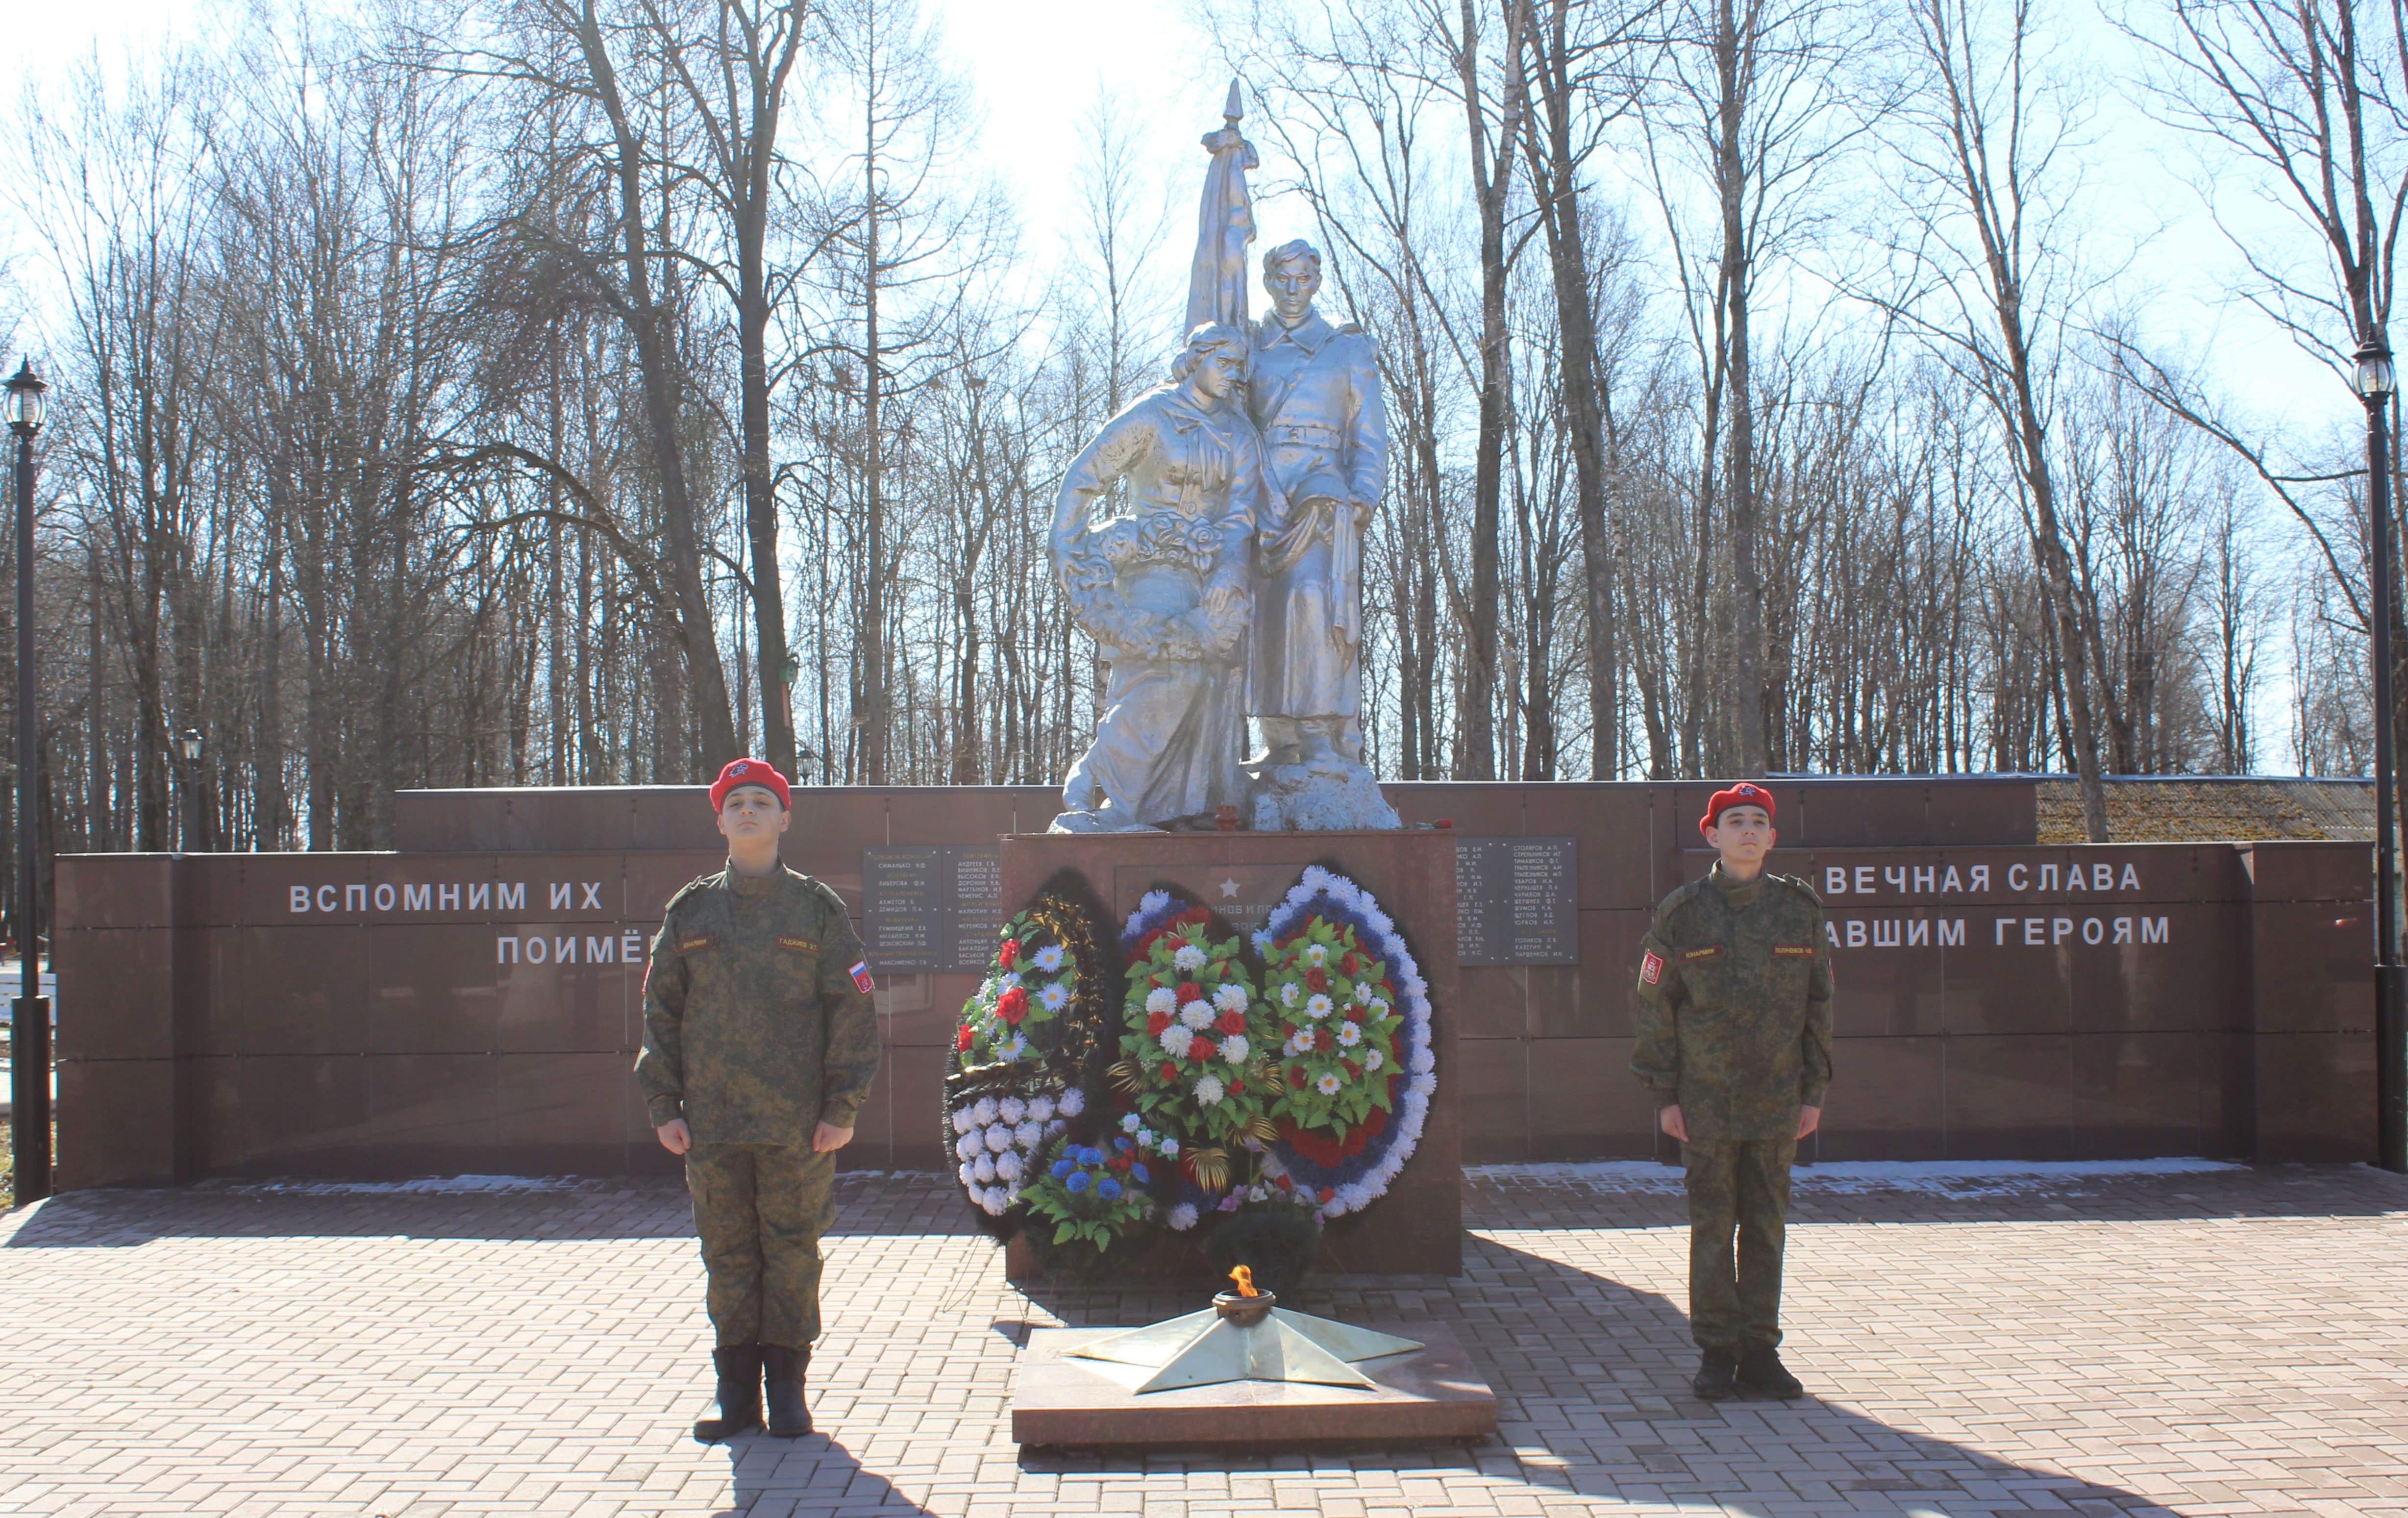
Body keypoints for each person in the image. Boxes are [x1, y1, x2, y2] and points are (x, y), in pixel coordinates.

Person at [636, 759, 882, 1441]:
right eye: (736, 802)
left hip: (796, 1125)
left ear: (784, 819)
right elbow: (661, 1011)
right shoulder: (690, 912)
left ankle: (790, 1391)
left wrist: (842, 1106)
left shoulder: (816, 910)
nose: (748, 812)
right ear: (719, 820)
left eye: (761, 802)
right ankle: (736, 1393)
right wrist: (664, 1102)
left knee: (793, 1251)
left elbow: (853, 1013)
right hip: (711, 1123)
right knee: (728, 1253)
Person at [1632, 782, 1833, 1401]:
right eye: (1734, 821)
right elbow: (1653, 1006)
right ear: (1711, 835)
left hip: (1776, 1099)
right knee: (1713, 1227)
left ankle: (1759, 1350)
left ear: (1771, 839)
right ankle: (1717, 1350)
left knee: (1767, 1226)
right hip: (1706, 1101)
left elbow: (1818, 1005)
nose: (1747, 830)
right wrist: (1664, 1094)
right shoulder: (1681, 913)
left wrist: (1814, 1090)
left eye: (1757, 822)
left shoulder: (1799, 910)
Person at [1049, 322, 1267, 830]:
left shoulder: (1239, 434)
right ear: (1195, 358)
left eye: (1241, 366)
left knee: (1207, 687)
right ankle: (1109, 785)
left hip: (1208, 571)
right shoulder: (1153, 414)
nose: (1233, 375)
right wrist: (1072, 549)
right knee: (1170, 672)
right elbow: (1084, 477)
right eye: (1224, 361)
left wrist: (1229, 573)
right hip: (1148, 562)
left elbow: (1240, 516)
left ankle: (1173, 809)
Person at [1244, 240, 1387, 770]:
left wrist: (1363, 495)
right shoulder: (1251, 345)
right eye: (1282, 278)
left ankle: (1321, 733)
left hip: (1321, 483)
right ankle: (1279, 736)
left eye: (1302, 278)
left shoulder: (1346, 349)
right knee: (1262, 610)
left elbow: (1369, 436)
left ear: (1316, 281)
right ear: (1267, 283)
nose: (1292, 289)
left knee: (1312, 597)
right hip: (1261, 486)